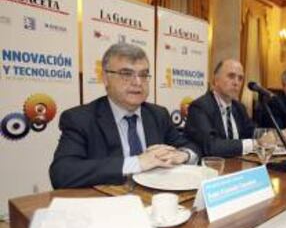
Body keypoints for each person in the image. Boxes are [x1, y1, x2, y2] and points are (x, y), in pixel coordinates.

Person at [50, 43, 199, 188]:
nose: (138, 82)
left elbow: (190, 146)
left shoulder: (158, 114)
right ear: (105, 78)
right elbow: (62, 173)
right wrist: (137, 163)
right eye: (126, 74)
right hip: (108, 205)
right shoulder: (80, 119)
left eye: (143, 74)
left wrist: (183, 155)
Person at [184, 59, 256, 157]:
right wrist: (254, 144)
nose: (236, 83)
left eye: (240, 78)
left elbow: (252, 133)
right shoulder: (199, 107)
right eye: (231, 76)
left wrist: (270, 136)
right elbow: (212, 146)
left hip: (239, 165)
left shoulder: (239, 107)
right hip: (211, 168)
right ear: (215, 80)